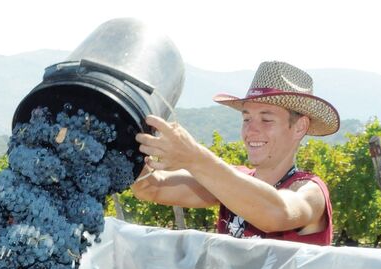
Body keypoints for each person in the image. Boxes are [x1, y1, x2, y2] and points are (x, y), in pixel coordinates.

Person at [133, 61, 339, 245]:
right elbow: (152, 187)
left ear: (299, 127)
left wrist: (194, 158)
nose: (250, 130)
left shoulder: (311, 192)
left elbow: (276, 214)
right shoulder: (231, 181)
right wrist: (127, 144)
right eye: (246, 119)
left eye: (266, 120)